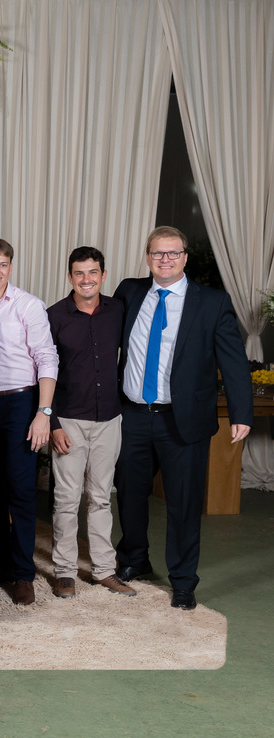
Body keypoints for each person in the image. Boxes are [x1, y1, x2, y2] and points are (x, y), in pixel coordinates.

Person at [114, 226, 252, 610]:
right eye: (158, 253)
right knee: (129, 495)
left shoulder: (212, 302)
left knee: (184, 504)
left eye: (173, 253)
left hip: (183, 419)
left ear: (185, 257)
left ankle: (183, 581)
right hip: (132, 415)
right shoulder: (129, 292)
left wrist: (241, 411)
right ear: (148, 257)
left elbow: (233, 360)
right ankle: (134, 559)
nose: (165, 260)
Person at [0, 238, 58, 606]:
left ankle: (22, 573)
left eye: (3, 265)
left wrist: (43, 413)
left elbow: (47, 358)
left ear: (11, 268)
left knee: (20, 490)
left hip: (20, 401)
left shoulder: (28, 305)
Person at [46, 247, 135, 599]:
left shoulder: (117, 311)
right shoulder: (54, 316)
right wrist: (52, 422)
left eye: (93, 272)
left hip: (109, 418)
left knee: (100, 498)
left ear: (103, 275)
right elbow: (43, 371)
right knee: (66, 499)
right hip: (68, 420)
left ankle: (104, 570)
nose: (86, 280)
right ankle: (65, 572)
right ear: (70, 277)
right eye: (79, 273)